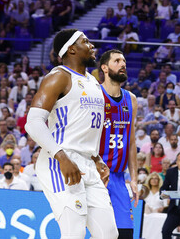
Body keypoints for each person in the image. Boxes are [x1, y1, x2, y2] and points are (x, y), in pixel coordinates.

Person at [24, 29, 117, 238]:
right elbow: (33, 122)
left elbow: (85, 128)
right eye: (86, 42)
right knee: (73, 233)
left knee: (109, 233)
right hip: (59, 162)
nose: (92, 46)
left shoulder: (93, 82)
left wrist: (97, 158)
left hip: (87, 163)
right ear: (71, 49)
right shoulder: (58, 77)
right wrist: (62, 157)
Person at [99, 49, 139, 239]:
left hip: (118, 178)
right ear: (104, 68)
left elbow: (131, 142)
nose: (122, 64)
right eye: (117, 61)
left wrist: (135, 179)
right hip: (95, 176)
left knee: (125, 233)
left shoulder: (131, 99)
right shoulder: (94, 96)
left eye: (124, 60)